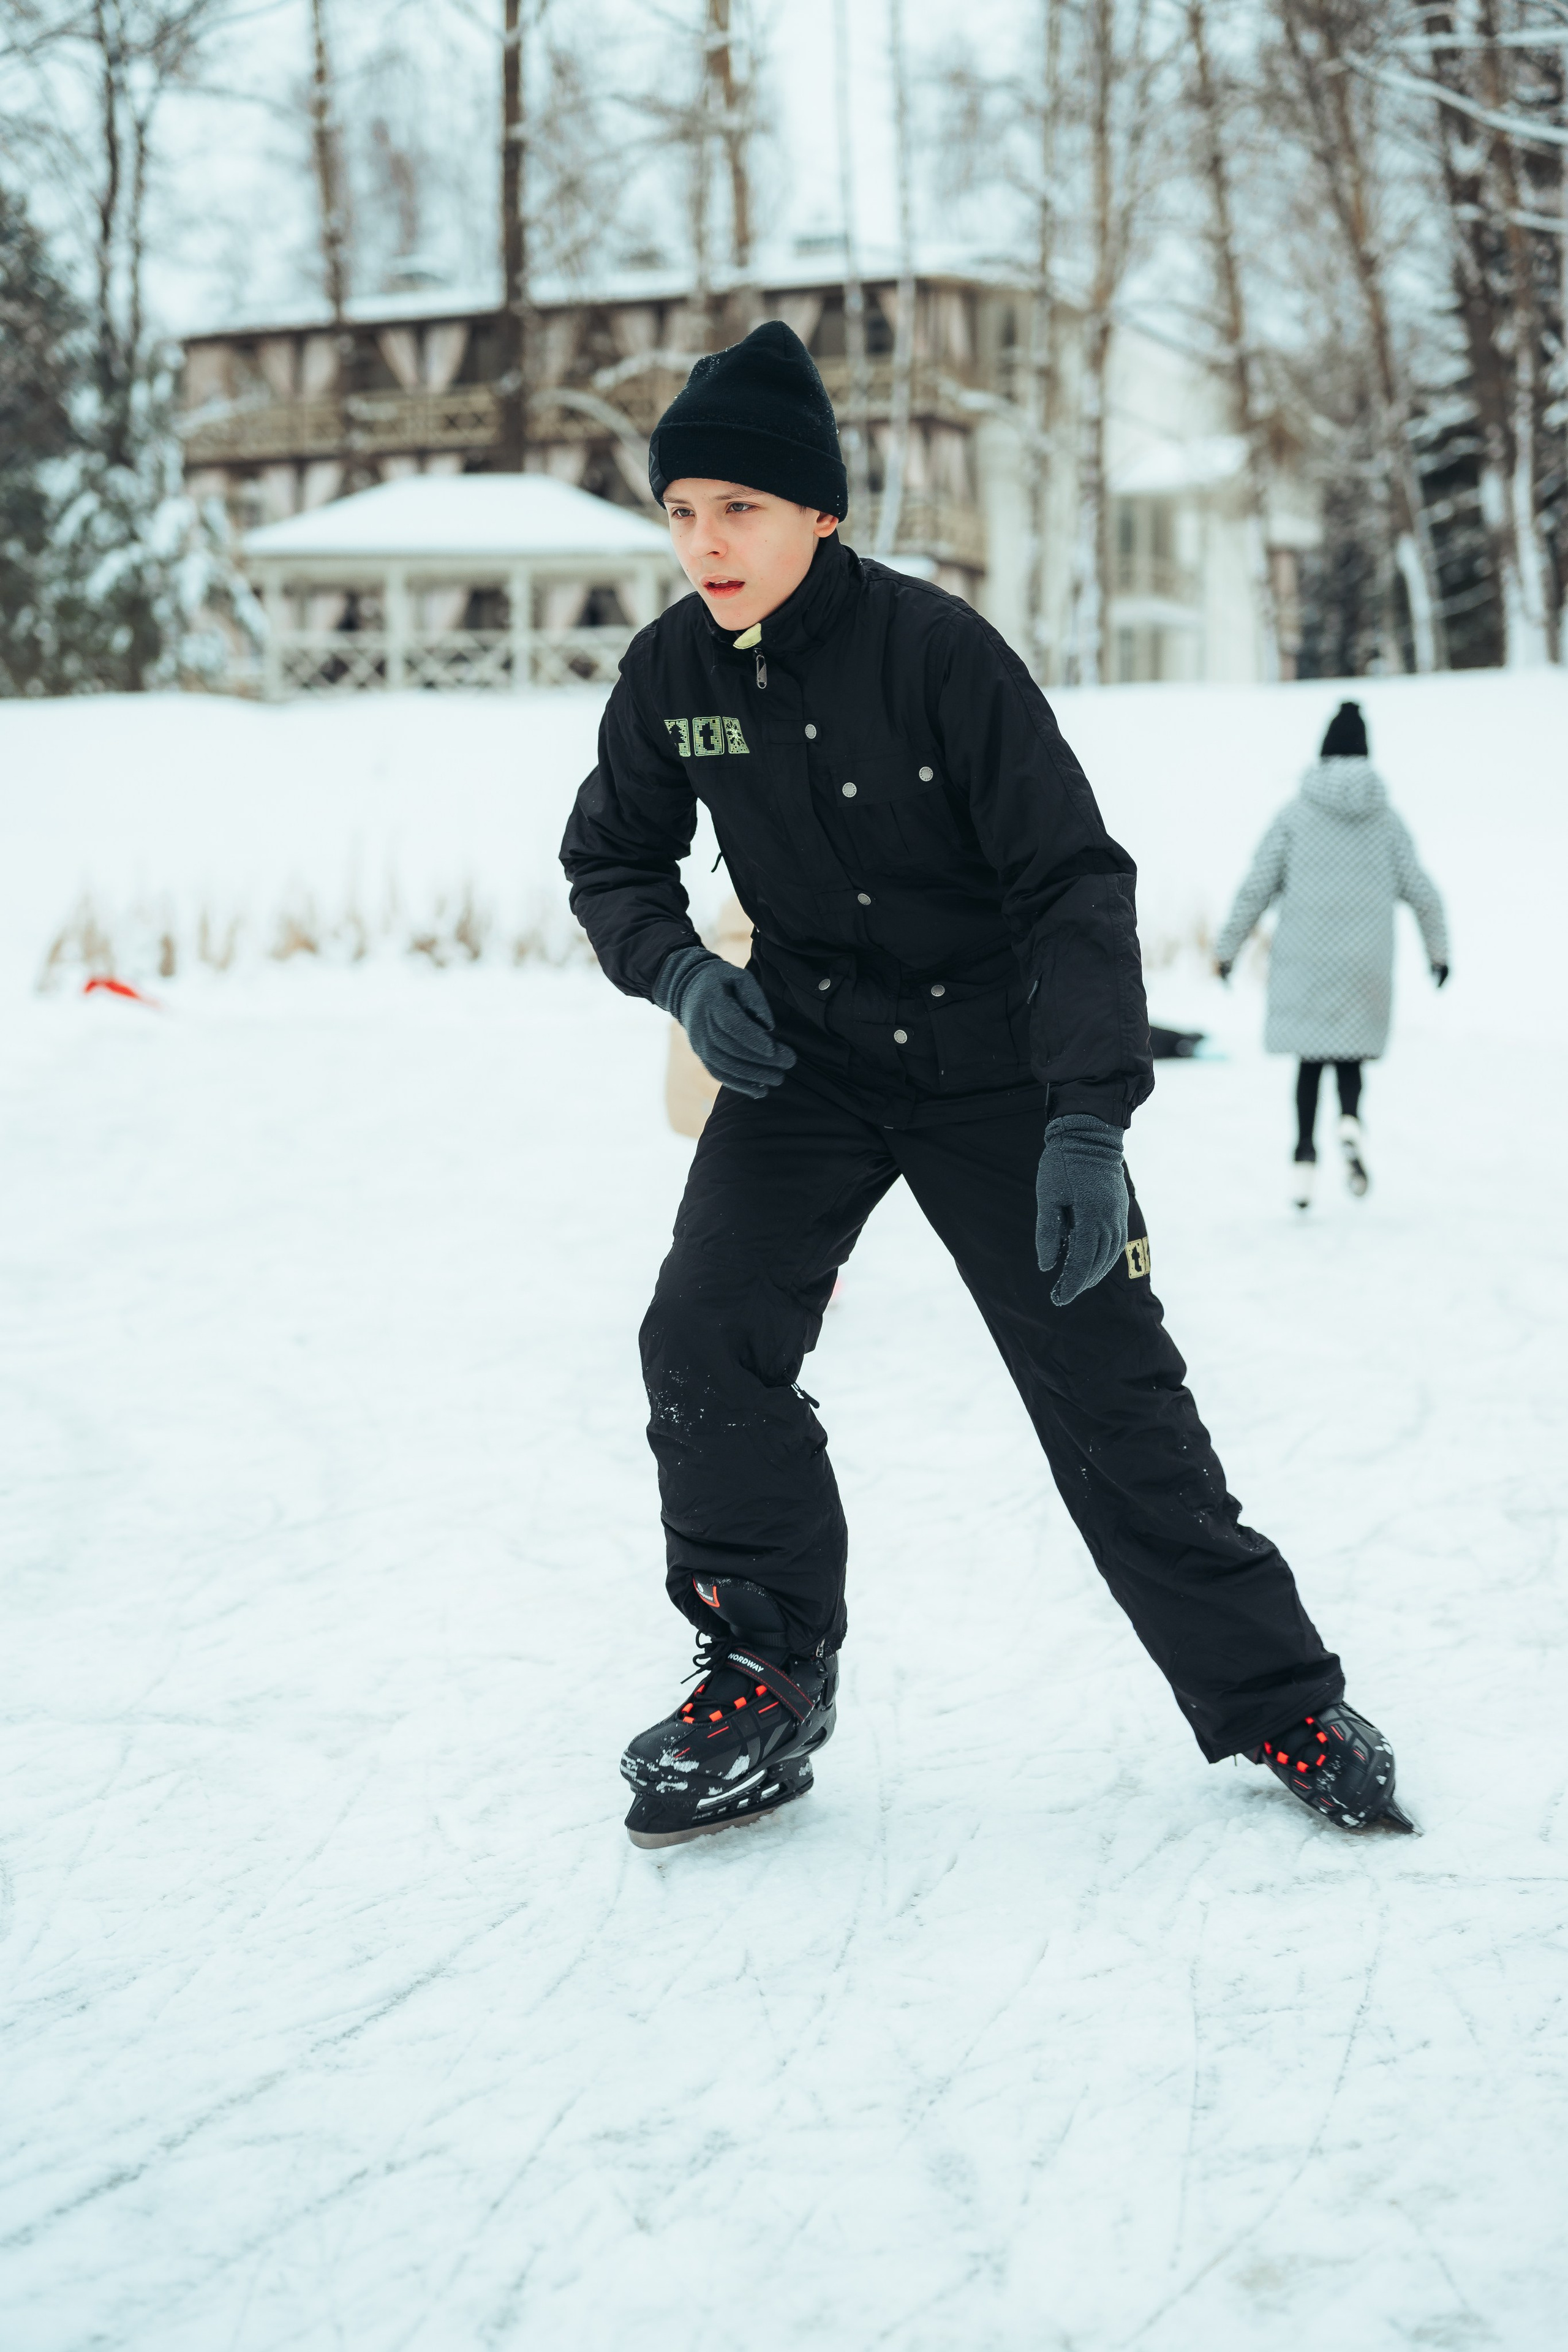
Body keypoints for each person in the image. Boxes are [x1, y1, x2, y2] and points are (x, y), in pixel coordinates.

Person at [560, 322, 1413, 1849]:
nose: (703, 542)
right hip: (806, 1059)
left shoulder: (937, 653)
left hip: (999, 1068)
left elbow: (1072, 880)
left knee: (1109, 1394)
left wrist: (1086, 1114)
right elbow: (610, 857)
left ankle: (1278, 1694)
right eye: (681, 510)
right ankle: (763, 1668)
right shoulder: (672, 667)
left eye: (736, 509)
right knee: (699, 1333)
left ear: (817, 511)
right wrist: (684, 972)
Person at [1213, 700, 1449, 1212]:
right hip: (1364, 963)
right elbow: (1423, 892)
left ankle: (1302, 1162)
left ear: (1323, 752)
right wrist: (1439, 953)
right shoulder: (1387, 821)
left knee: (1309, 1063)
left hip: (1305, 962)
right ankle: (1350, 1122)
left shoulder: (1295, 816)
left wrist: (1226, 950)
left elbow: (1257, 886)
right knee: (1349, 1057)